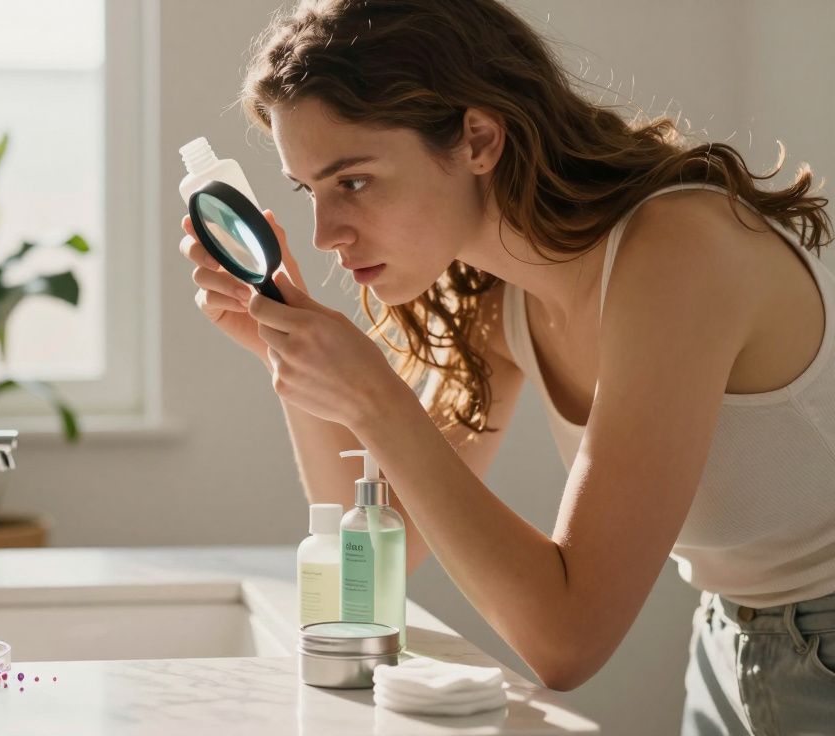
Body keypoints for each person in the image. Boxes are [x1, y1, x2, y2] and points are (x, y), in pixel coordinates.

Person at [178, 1, 835, 733]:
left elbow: (567, 640)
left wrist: (378, 401)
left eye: (354, 181)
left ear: (479, 139)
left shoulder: (679, 250)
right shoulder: (503, 294)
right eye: (310, 191)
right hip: (726, 640)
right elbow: (380, 547)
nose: (326, 233)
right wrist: (287, 345)